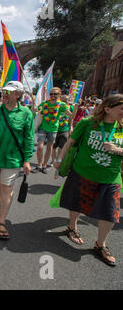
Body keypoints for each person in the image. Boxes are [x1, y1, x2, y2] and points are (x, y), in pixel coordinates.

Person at [53, 94, 123, 267]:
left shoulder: (122, 127)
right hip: (82, 172)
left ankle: (101, 244)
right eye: (121, 109)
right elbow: (70, 142)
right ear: (107, 108)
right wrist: (60, 161)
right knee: (76, 203)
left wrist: (117, 149)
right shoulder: (87, 123)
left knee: (110, 212)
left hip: (110, 177)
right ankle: (72, 226)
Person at [0, 81, 34, 238]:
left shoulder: (26, 114)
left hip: (12, 159)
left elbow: (29, 138)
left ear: (18, 95)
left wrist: (26, 160)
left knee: (7, 188)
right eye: (4, 91)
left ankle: (1, 221)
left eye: (9, 92)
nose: (5, 94)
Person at [35, 87, 72, 174]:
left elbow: (71, 116)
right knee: (40, 147)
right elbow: (37, 110)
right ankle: (39, 165)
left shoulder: (62, 105)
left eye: (55, 94)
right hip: (42, 128)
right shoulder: (44, 103)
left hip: (53, 129)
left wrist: (76, 107)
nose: (53, 95)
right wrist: (34, 106)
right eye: (51, 94)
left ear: (59, 95)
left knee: (49, 147)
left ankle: (44, 165)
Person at [51, 95, 75, 165]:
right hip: (55, 129)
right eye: (63, 100)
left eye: (66, 100)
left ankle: (57, 159)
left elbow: (71, 118)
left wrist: (70, 128)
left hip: (65, 130)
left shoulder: (70, 107)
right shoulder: (57, 106)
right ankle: (53, 160)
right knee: (54, 147)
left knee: (61, 147)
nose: (65, 101)